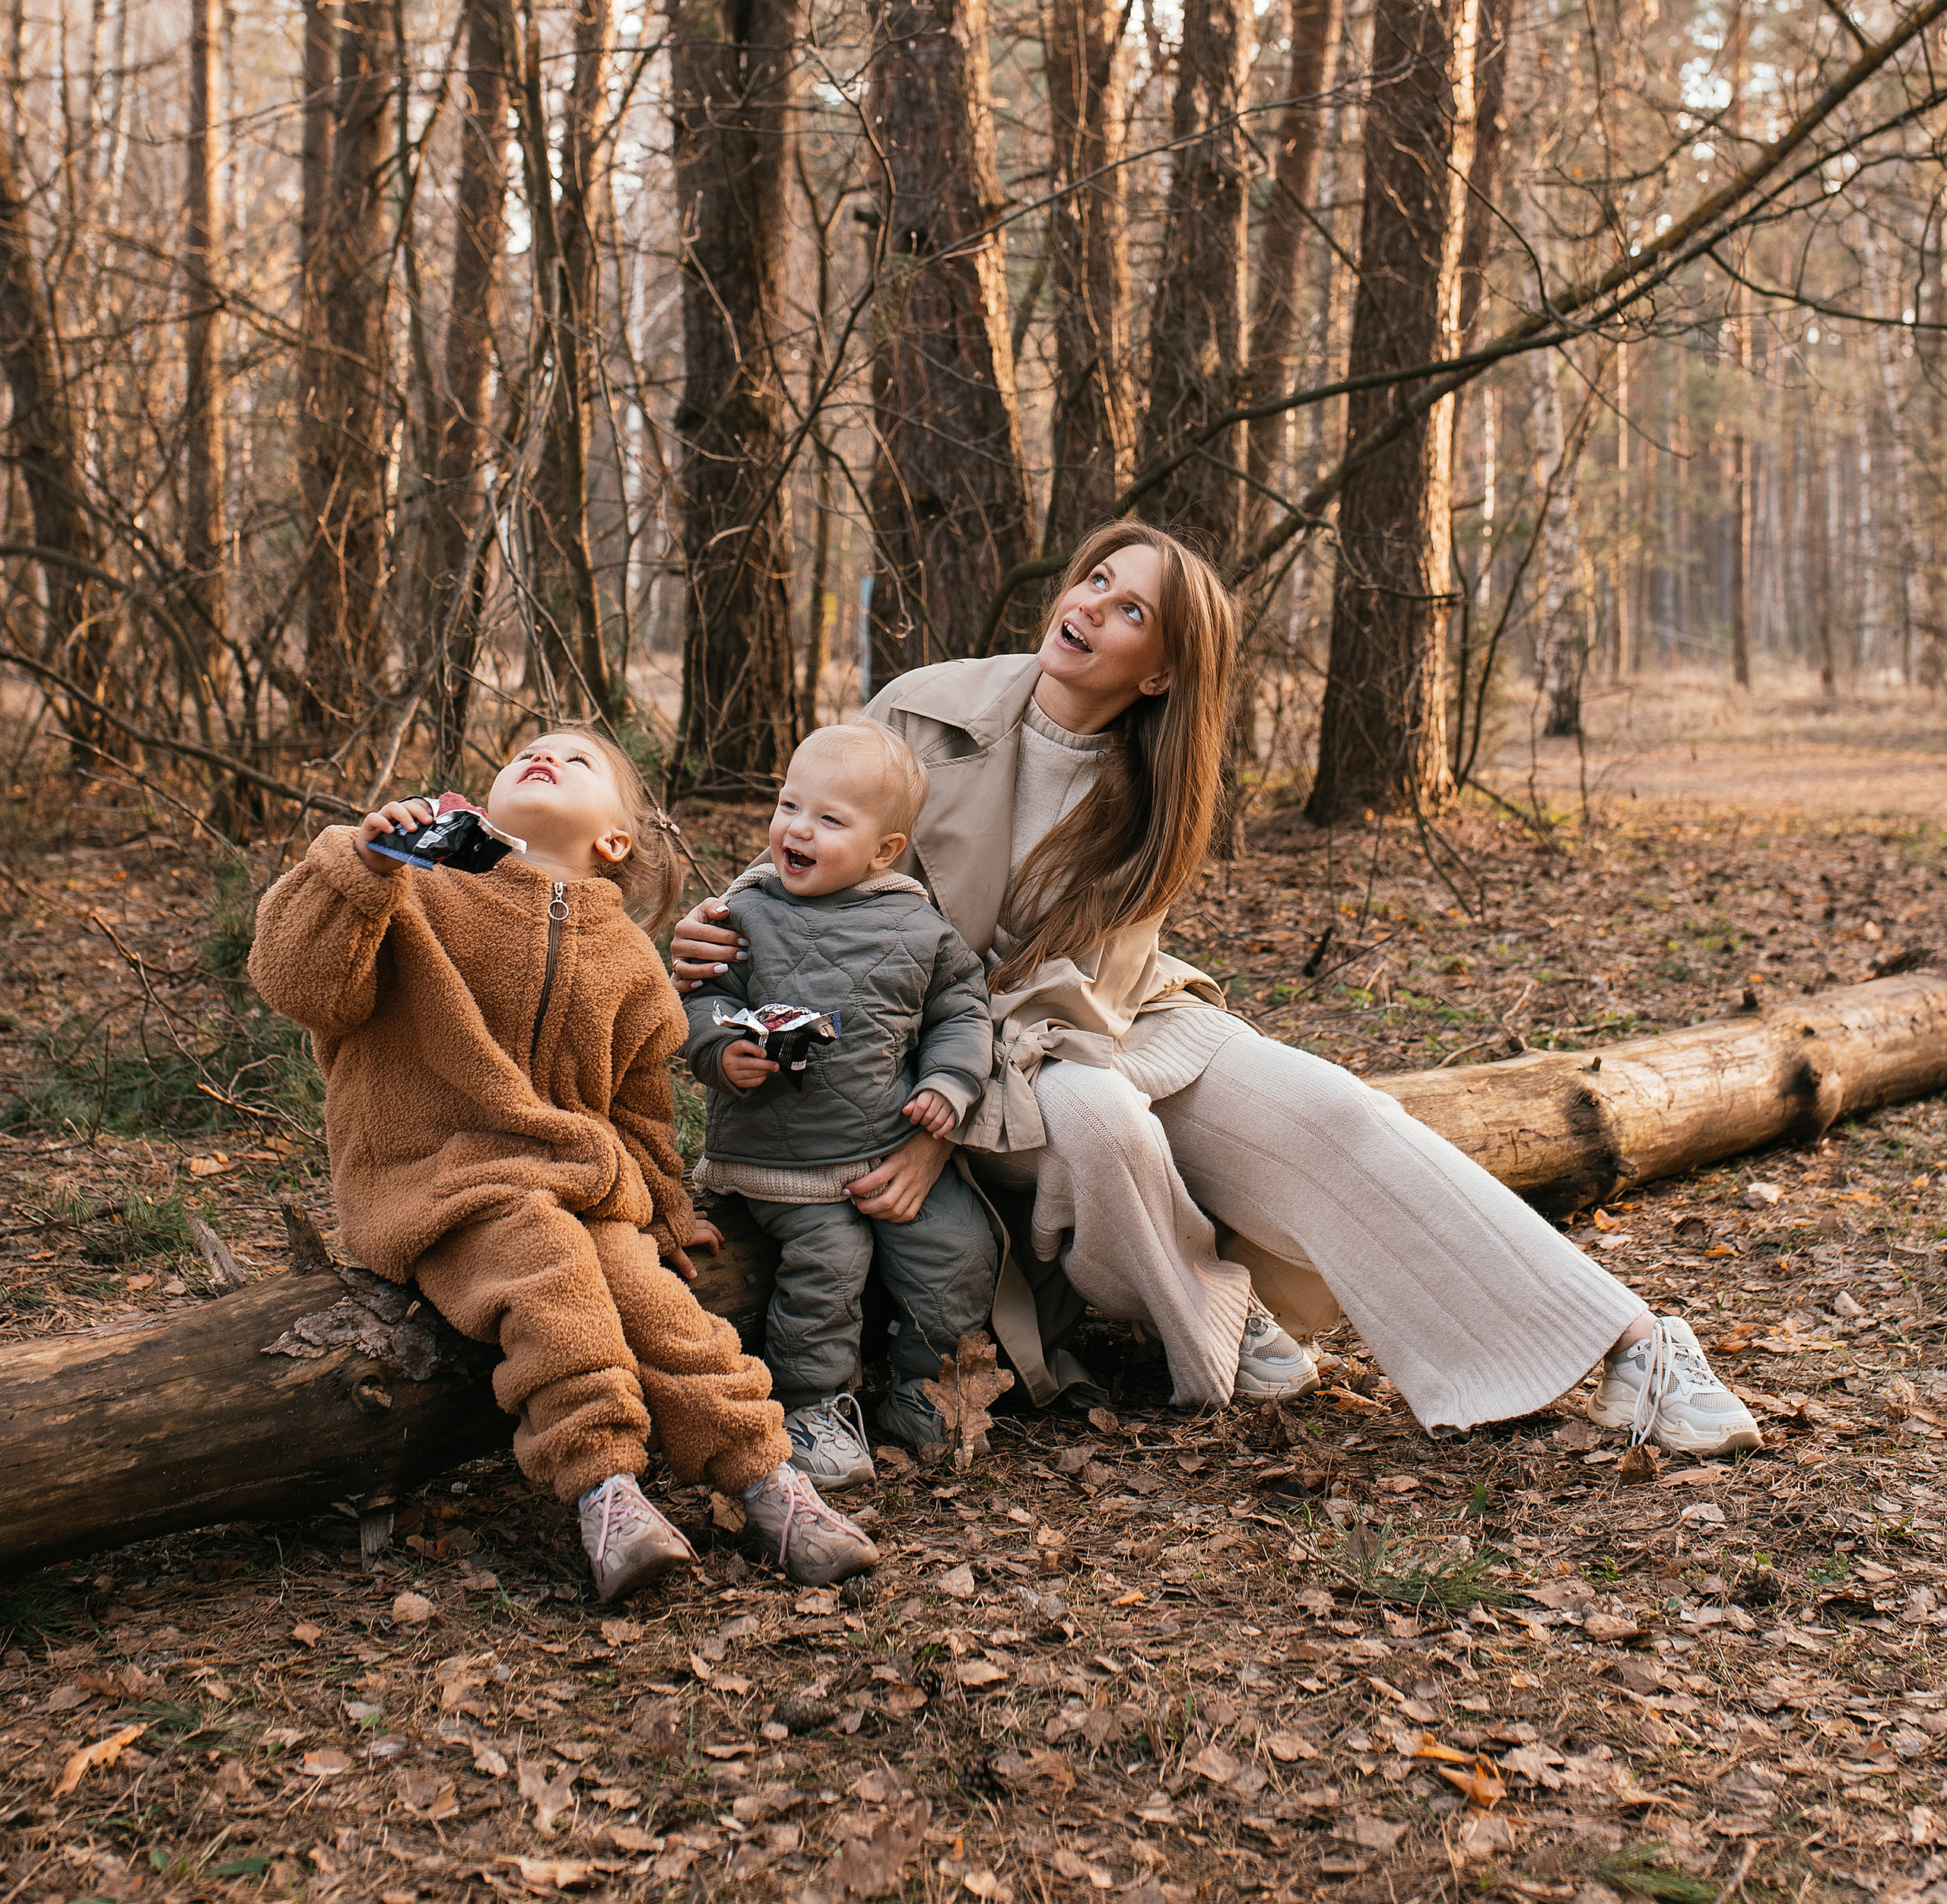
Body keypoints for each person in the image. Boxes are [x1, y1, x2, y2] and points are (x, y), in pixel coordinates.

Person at [671, 528, 1761, 1459]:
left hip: (1111, 1021)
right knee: (1097, 1121)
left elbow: (1088, 999)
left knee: (1333, 1110)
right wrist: (720, 940)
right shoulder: (920, 711)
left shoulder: (1155, 800)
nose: (1092, 604)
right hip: (949, 1060)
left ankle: (1634, 1345)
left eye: (1131, 606)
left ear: (1159, 673)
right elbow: (813, 876)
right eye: (1096, 579)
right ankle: (1220, 1322)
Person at [249, 720, 880, 1604]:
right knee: (549, 1282)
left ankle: (766, 1480)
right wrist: (362, 869)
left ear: (613, 840)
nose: (541, 757)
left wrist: (662, 1204)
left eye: (576, 760)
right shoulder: (415, 888)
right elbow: (299, 987)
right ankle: (605, 1490)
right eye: (524, 755)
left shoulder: (627, 959)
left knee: (660, 1305)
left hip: (577, 1184)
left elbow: (637, 1109)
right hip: (437, 1177)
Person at [684, 720, 997, 1493]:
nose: (796, 829)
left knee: (957, 1247)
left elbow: (961, 1012)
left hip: (888, 1147)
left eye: (829, 820)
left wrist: (947, 1087)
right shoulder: (742, 913)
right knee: (830, 1264)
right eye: (790, 805)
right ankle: (813, 1408)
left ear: (883, 850)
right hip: (781, 1156)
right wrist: (722, 1054)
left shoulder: (919, 927)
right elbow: (701, 1002)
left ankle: (925, 1395)